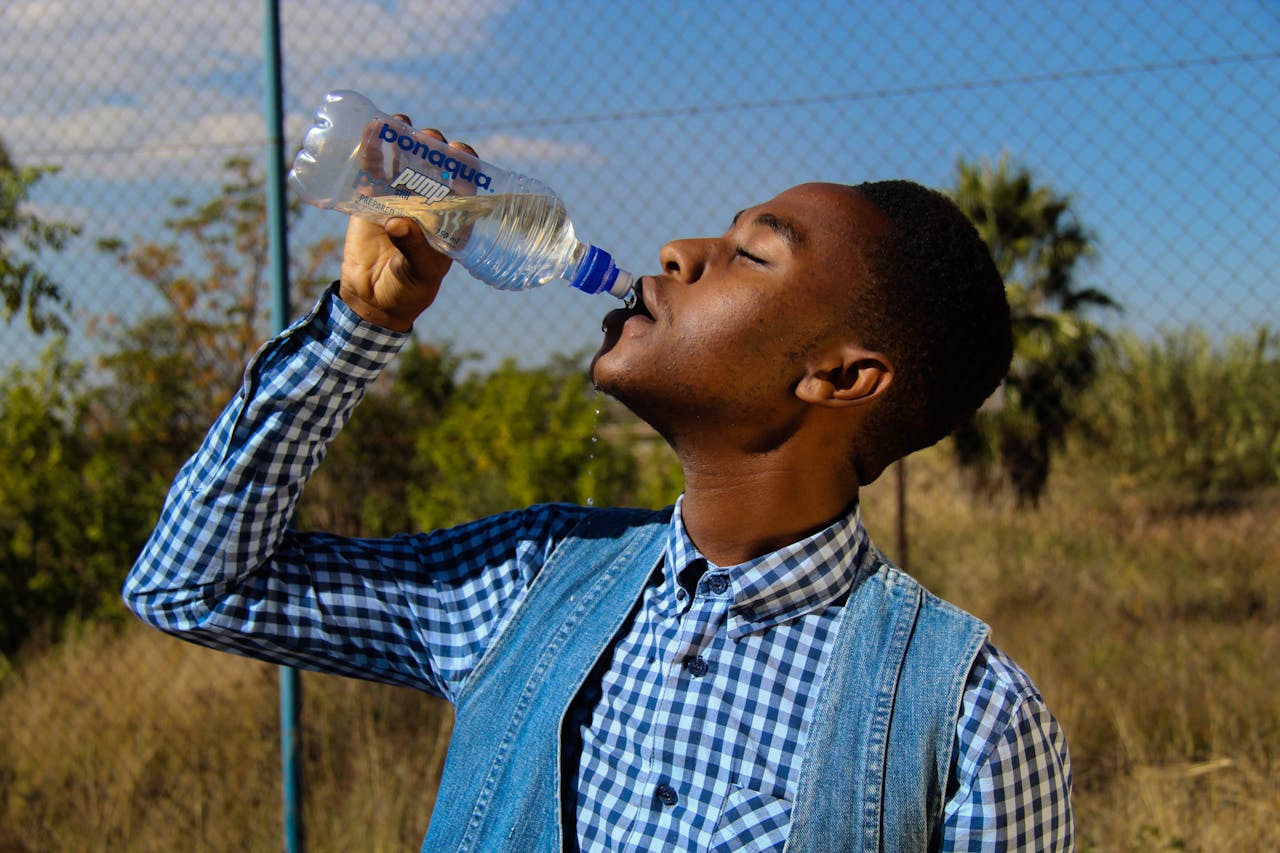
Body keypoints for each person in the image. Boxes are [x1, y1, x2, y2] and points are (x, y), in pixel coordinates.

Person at [124, 122, 1074, 851]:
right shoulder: (536, 578)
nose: (678, 252)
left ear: (839, 377)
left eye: (751, 252)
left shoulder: (971, 719)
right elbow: (193, 585)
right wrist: (360, 328)